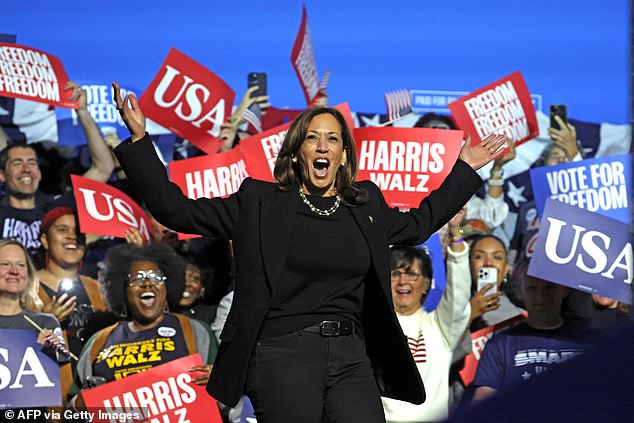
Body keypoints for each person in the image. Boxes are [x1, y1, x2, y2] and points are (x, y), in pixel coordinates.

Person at [112, 81, 506, 423]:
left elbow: (421, 223)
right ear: (297, 152)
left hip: (352, 357)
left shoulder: (366, 205)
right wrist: (139, 141)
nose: (322, 146)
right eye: (312, 138)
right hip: (282, 356)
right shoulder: (259, 202)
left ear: (344, 155)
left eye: (332, 138)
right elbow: (174, 209)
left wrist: (466, 169)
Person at [69, 243, 217, 410]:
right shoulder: (98, 342)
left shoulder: (195, 331)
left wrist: (220, 381)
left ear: (167, 286)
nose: (147, 283)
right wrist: (78, 405)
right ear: (122, 289)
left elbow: (229, 398)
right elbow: (70, 409)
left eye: (156, 277)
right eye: (136, 278)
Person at [0, 82, 114, 265]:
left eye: (32, 162)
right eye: (17, 163)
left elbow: (103, 168)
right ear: (2, 175)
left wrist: (82, 111)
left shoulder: (55, 209)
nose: (26, 169)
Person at [382, 209, 472, 422]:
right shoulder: (374, 326)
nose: (403, 281)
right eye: (395, 273)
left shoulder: (440, 327)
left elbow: (458, 293)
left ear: (426, 284)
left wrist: (455, 231)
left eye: (411, 273)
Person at [471, 270, 598, 401]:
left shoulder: (592, 340)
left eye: (550, 287)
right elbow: (483, 400)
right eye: (532, 288)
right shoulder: (499, 345)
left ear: (564, 290)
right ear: (521, 291)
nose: (541, 295)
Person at [0, 239, 70, 421]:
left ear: (28, 274)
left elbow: (64, 377)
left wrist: (48, 351)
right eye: (5, 264)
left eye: (21, 265)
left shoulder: (46, 323)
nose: (14, 271)